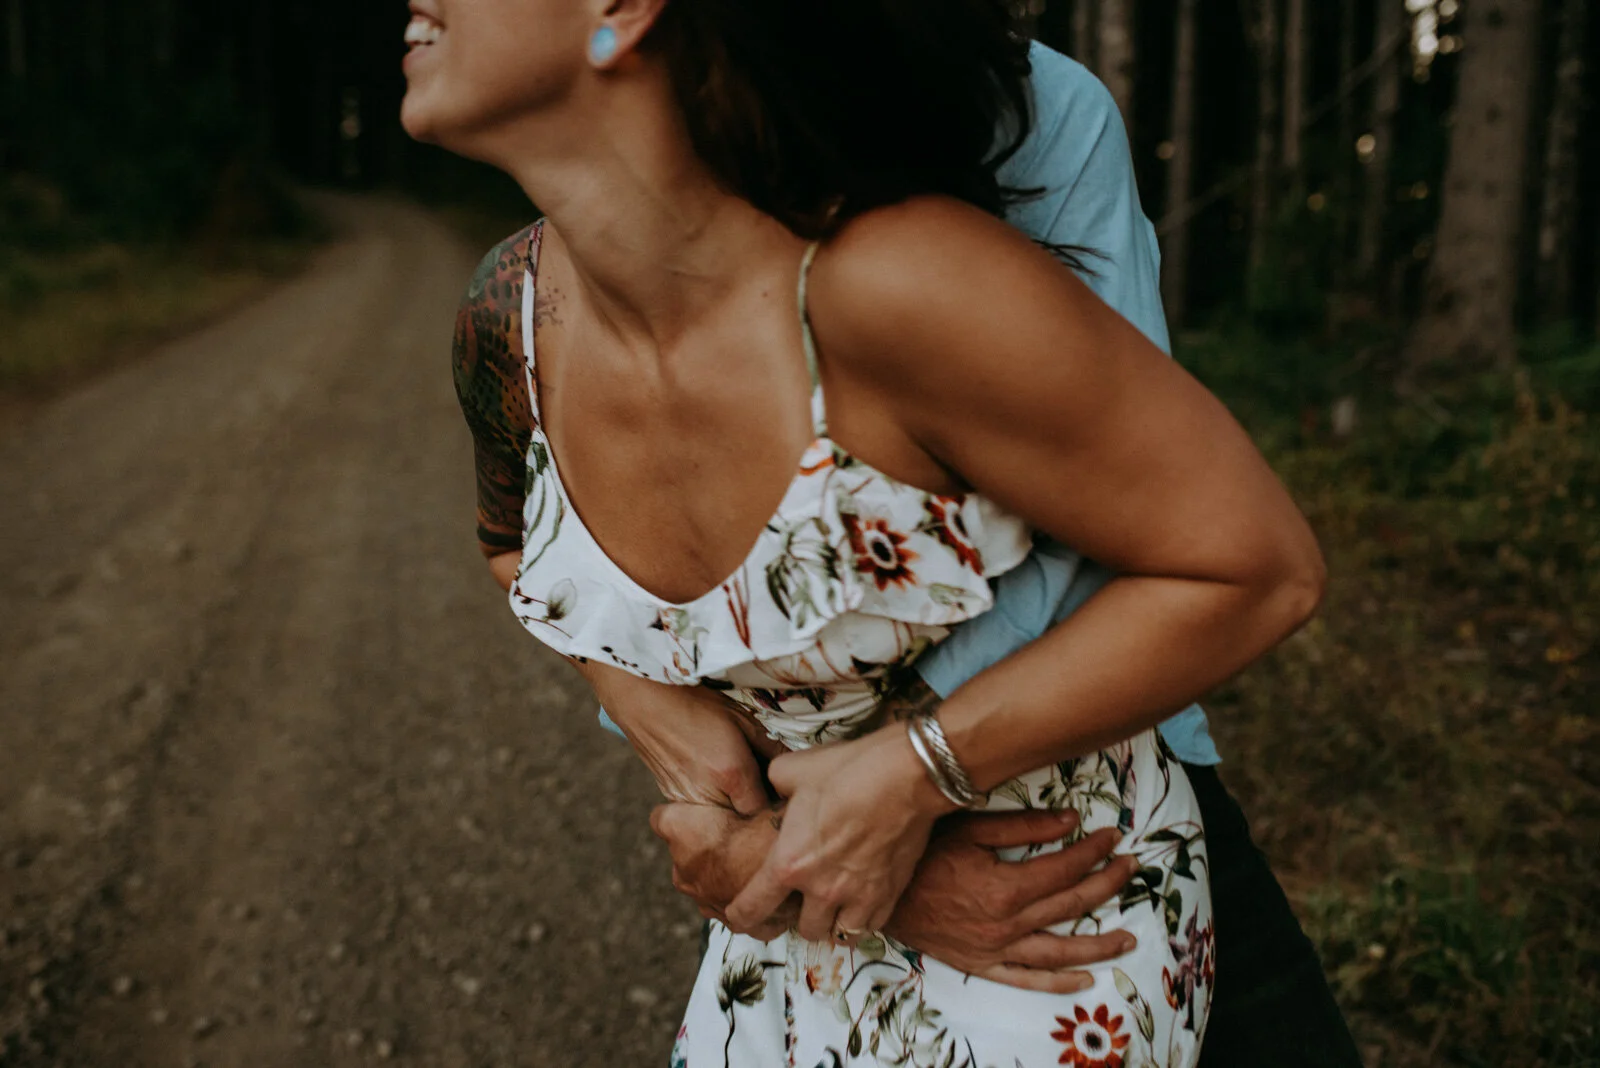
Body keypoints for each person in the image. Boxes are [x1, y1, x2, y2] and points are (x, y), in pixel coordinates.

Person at [405, 1, 1332, 1065]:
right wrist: (708, 783)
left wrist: (896, 796)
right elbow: (517, 544)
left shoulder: (923, 254)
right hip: (802, 907)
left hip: (1049, 870)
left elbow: (1184, 562)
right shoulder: (509, 314)